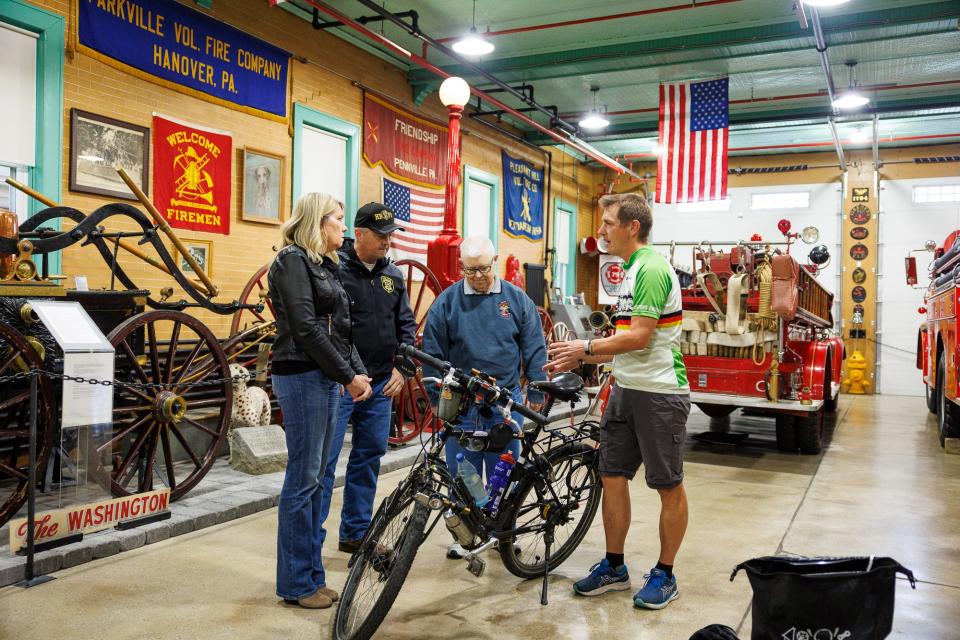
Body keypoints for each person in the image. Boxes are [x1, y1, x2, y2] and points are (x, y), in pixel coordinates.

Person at [545, 193, 690, 610]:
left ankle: (665, 573)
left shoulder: (650, 268)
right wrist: (579, 355)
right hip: (626, 388)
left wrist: (585, 346)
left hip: (661, 393)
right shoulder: (628, 271)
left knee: (668, 485)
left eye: (609, 223)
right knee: (611, 476)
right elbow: (622, 346)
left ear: (632, 227)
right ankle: (614, 566)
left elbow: (640, 336)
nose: (601, 230)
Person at [268, 192, 373, 609]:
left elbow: (341, 328)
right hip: (301, 376)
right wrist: (347, 376)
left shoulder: (323, 264)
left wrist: (355, 370)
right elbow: (307, 329)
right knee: (303, 479)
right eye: (338, 219)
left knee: (317, 482)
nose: (344, 228)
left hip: (325, 377)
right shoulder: (291, 260)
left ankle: (312, 576)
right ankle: (295, 584)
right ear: (317, 221)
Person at [421, 235, 548, 558]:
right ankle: (466, 535)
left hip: (505, 402)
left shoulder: (516, 301)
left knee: (503, 468)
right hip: (461, 404)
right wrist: (437, 397)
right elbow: (432, 354)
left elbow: (534, 346)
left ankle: (502, 531)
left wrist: (536, 386)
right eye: (470, 271)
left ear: (495, 262)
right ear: (461, 267)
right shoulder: (447, 303)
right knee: (462, 469)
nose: (477, 277)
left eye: (483, 269)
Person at [318, 202, 417, 554]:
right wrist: (346, 375)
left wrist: (402, 369)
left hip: (379, 384)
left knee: (368, 457)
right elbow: (324, 328)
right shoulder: (334, 270)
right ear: (358, 234)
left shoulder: (393, 276)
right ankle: (313, 545)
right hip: (341, 384)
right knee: (325, 463)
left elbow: (406, 325)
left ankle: (355, 535)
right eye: (381, 235)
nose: (388, 242)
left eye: (391, 235)